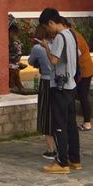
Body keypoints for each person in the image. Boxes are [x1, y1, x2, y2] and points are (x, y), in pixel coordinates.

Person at [38, 8, 81, 175]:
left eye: (46, 26)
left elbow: (54, 61)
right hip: (71, 85)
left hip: (60, 86)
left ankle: (62, 162)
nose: (47, 30)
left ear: (51, 22)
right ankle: (75, 159)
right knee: (71, 124)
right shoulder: (71, 34)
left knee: (59, 125)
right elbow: (76, 54)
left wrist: (46, 48)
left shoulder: (58, 38)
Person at [27, 23, 56, 159]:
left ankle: (51, 149)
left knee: (46, 115)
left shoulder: (38, 48)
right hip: (60, 82)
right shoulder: (56, 43)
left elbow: (30, 61)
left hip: (46, 81)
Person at [71, 25, 93, 132]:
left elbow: (76, 55)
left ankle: (87, 122)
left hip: (84, 70)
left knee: (83, 96)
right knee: (81, 96)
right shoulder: (74, 35)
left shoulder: (74, 37)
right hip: (85, 69)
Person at [8, 24, 25, 92]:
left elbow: (16, 55)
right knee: (17, 80)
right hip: (16, 64)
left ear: (11, 32)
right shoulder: (19, 42)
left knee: (13, 80)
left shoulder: (15, 43)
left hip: (13, 64)